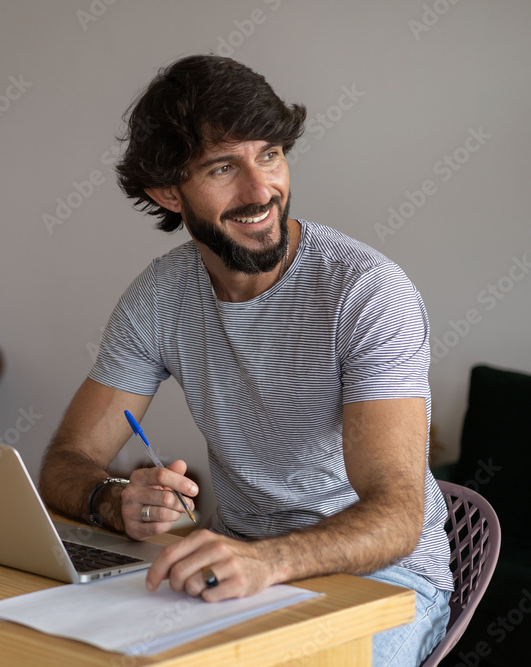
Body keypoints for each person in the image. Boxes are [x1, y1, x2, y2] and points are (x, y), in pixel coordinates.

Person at [38, 55, 452, 666]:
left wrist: (269, 559)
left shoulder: (366, 291)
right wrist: (114, 498)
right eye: (223, 167)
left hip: (384, 583)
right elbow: (66, 461)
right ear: (167, 192)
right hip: (230, 574)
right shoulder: (158, 297)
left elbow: (396, 518)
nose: (261, 191)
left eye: (271, 155)